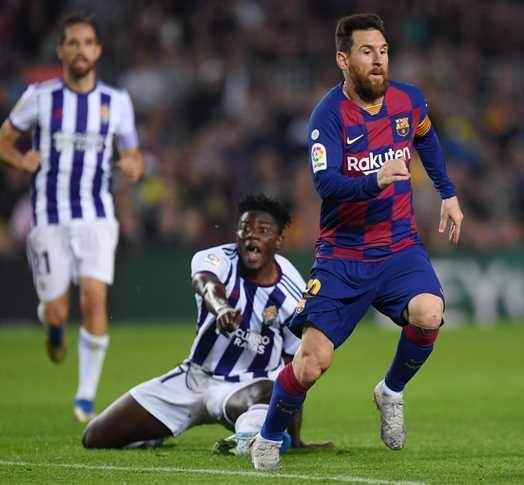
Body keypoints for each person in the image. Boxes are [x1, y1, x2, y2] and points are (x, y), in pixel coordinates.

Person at [250, 13, 464, 470]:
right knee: (312, 362)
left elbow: (426, 137)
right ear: (343, 60)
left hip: (400, 248)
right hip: (343, 256)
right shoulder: (328, 116)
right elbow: (325, 183)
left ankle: (390, 391)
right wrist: (375, 179)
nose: (378, 60)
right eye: (367, 52)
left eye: (383, 51)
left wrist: (448, 193)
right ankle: (267, 439)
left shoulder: (408, 100)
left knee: (430, 312)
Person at [82, 195, 330, 453]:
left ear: (279, 240)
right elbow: (206, 283)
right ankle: (236, 436)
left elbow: (295, 366)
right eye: (245, 228)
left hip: (247, 387)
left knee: (270, 390)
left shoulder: (292, 293)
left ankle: (253, 435)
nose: (251, 236)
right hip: (193, 378)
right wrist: (221, 308)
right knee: (96, 437)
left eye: (263, 230)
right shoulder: (217, 258)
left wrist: (297, 436)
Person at [0, 13, 144, 422]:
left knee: (94, 298)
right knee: (58, 310)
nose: (81, 50)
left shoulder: (116, 102)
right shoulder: (39, 97)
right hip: (48, 218)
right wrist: (21, 160)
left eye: (88, 43)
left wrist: (133, 165)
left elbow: (133, 153)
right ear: (61, 50)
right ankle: (52, 325)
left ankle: (85, 398)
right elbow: (4, 140)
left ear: (98, 51)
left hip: (97, 215)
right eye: (73, 43)